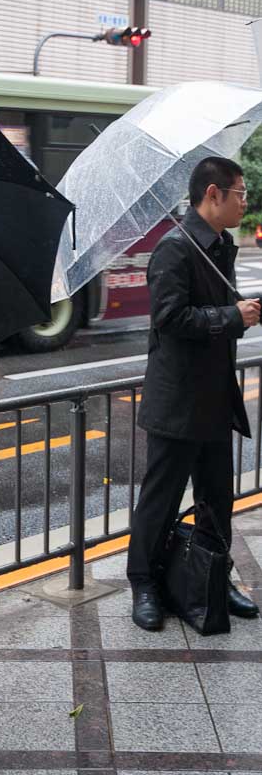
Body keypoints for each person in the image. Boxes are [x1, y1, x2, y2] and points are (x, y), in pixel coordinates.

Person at [127, 156, 261, 632]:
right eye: (240, 193)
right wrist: (231, 318)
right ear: (212, 194)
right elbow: (168, 319)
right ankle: (143, 586)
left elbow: (220, 310)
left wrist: (240, 313)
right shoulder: (174, 249)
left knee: (216, 499)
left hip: (214, 396)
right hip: (177, 400)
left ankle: (214, 579)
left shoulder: (221, 245)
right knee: (159, 499)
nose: (245, 202)